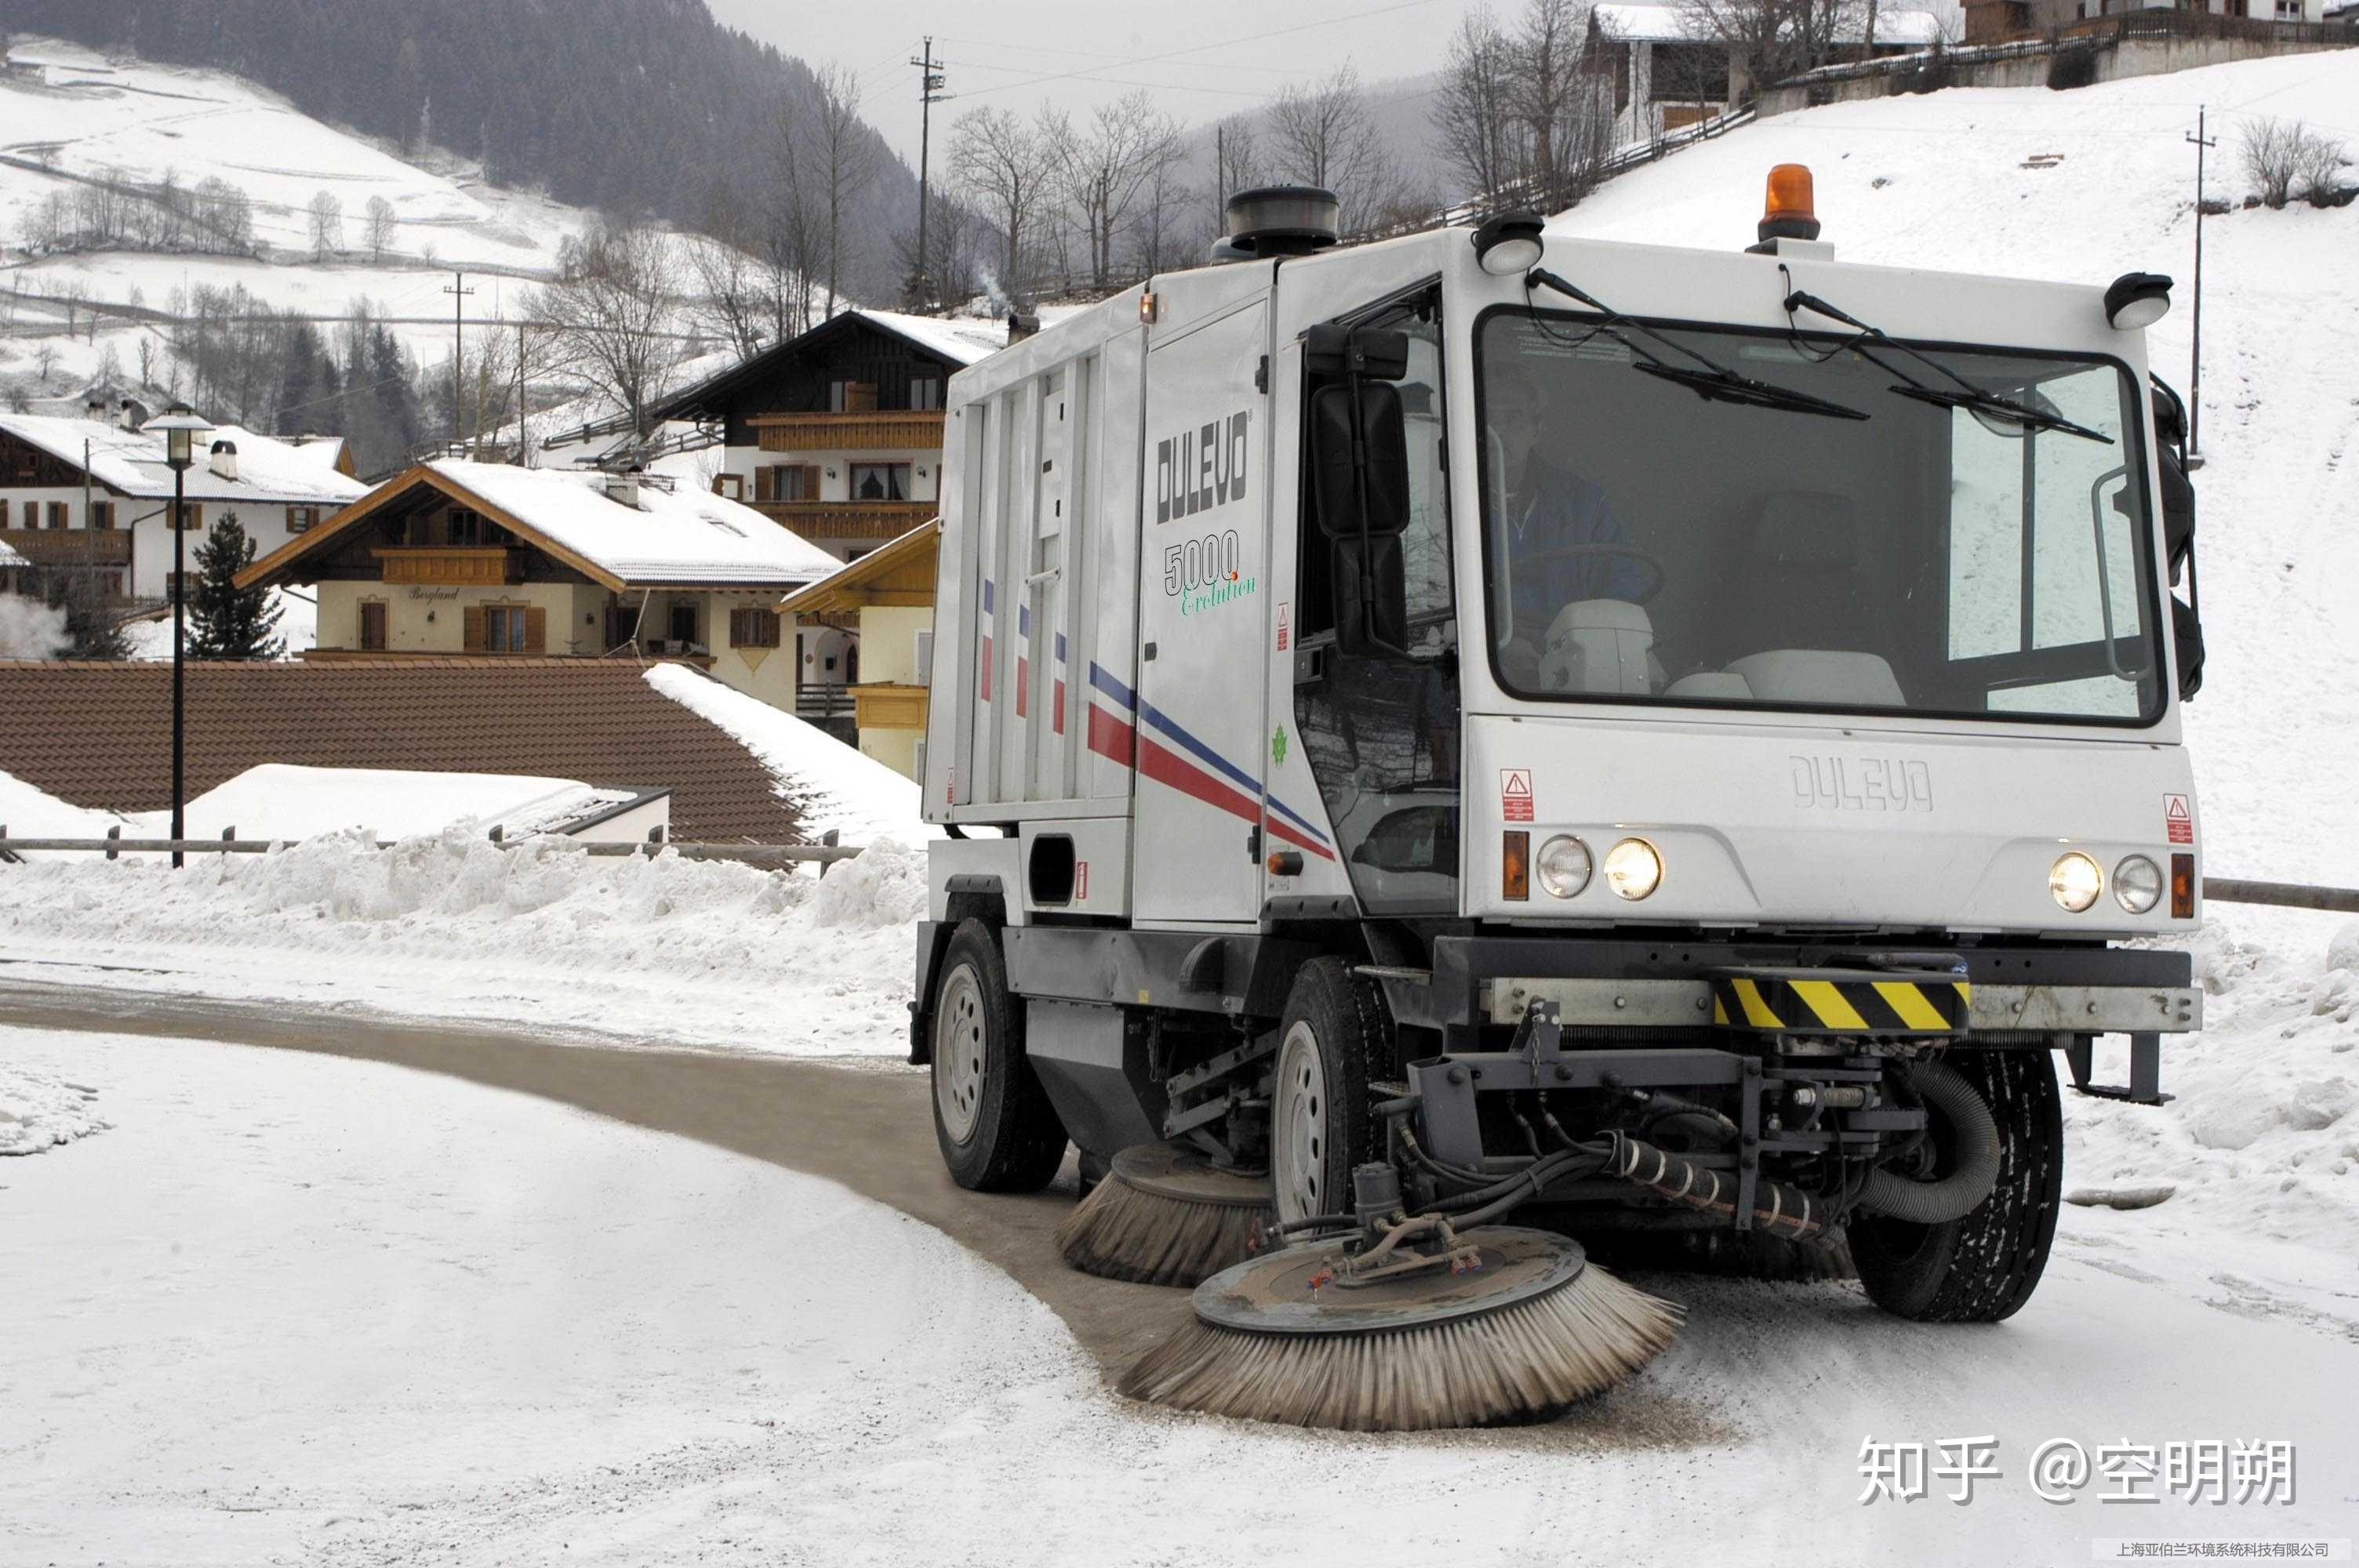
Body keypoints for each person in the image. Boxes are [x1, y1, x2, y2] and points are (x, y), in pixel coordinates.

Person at [1488, 358, 1646, 684]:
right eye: (1487, 419)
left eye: (1512, 417)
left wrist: (1573, 644)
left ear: (1537, 429)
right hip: (1484, 669)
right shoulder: (1448, 506)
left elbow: (1625, 584)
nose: (1498, 430)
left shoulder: (1584, 504)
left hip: (1573, 675)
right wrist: (1497, 644)